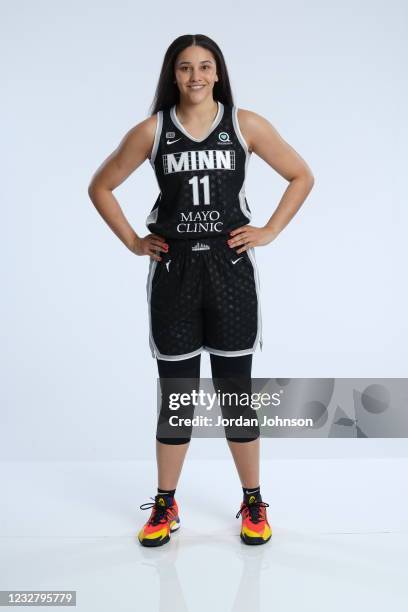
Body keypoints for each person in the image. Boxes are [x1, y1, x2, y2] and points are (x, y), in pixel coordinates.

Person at [88, 34, 314, 547]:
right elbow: (100, 186)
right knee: (178, 397)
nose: (195, 76)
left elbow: (301, 175)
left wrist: (270, 230)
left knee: (236, 394)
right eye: (185, 67)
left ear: (218, 73)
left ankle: (252, 500)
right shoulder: (152, 131)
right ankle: (165, 502)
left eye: (205, 67)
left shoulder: (245, 124)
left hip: (230, 274)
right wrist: (131, 241)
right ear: (173, 74)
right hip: (175, 277)